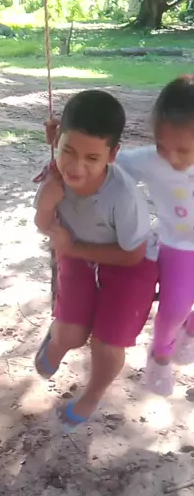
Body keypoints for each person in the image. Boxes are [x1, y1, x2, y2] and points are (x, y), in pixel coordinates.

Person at [34, 89, 158, 430]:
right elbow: (45, 225)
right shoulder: (55, 174)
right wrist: (46, 203)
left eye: (92, 158)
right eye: (68, 151)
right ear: (56, 138)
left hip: (130, 261)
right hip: (77, 250)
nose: (76, 167)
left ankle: (91, 395)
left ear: (112, 154)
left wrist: (72, 249)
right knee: (72, 335)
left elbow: (133, 255)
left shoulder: (123, 195)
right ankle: (57, 341)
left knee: (106, 342)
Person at [116, 76, 194, 396]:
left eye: (183, 150)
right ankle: (160, 355)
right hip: (178, 246)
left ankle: (190, 333)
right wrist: (61, 141)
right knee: (174, 309)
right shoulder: (150, 161)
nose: (172, 158)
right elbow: (104, 161)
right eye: (163, 146)